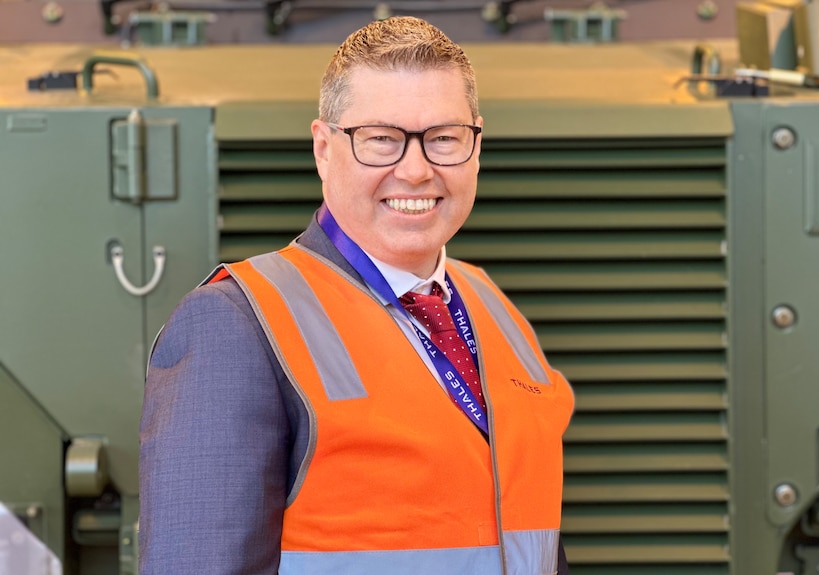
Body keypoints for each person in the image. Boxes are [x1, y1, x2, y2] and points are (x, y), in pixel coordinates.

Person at [139, 15, 575, 575]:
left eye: (443, 138)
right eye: (381, 140)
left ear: (476, 145)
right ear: (324, 149)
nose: (416, 170)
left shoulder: (492, 306)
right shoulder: (237, 324)